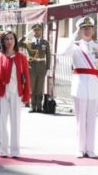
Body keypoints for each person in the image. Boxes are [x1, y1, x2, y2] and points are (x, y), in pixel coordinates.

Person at [59, 17, 98, 158]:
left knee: (92, 118)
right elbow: (62, 52)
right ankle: (80, 148)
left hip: (94, 86)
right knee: (80, 118)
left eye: (89, 28)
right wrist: (74, 34)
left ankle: (90, 149)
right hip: (80, 85)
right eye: (84, 28)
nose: (87, 31)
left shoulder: (97, 46)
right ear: (80, 30)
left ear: (93, 30)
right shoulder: (75, 46)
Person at [0, 31, 31, 158]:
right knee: (1, 122)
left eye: (11, 38)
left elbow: (27, 77)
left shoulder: (22, 57)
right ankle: (3, 149)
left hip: (16, 93)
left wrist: (26, 95)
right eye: (6, 39)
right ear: (3, 41)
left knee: (16, 122)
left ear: (15, 41)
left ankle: (14, 150)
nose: (9, 41)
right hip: (2, 92)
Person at [18, 23, 51, 112]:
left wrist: (48, 68)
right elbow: (18, 44)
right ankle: (33, 106)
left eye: (38, 30)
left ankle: (39, 107)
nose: (37, 31)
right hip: (31, 66)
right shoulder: (29, 42)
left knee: (39, 87)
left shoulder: (45, 42)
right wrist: (25, 35)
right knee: (32, 87)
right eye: (35, 30)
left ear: (41, 31)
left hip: (41, 66)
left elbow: (48, 56)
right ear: (33, 31)